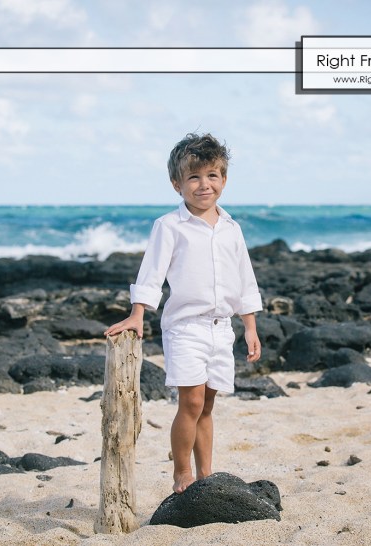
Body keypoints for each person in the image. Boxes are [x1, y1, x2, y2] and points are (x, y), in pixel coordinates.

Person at [104, 132, 262, 494]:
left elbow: (245, 279)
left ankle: (206, 474)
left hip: (222, 329)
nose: (204, 184)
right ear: (177, 184)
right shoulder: (169, 226)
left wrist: (250, 326)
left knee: (207, 405)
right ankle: (182, 472)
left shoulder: (232, 229)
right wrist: (137, 314)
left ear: (224, 180)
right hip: (184, 328)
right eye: (194, 177)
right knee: (190, 401)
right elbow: (152, 273)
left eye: (212, 175)